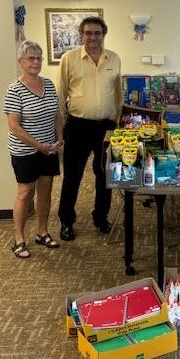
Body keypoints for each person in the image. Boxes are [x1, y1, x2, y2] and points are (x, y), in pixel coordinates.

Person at [57, 16, 123, 241]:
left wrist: (117, 120)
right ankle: (66, 221)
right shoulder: (69, 58)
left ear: (104, 35)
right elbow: (61, 93)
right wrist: (64, 123)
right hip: (78, 125)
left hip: (106, 126)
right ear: (81, 35)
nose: (93, 37)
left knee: (104, 175)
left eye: (97, 33)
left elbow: (118, 92)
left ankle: (101, 217)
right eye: (88, 33)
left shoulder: (114, 58)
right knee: (72, 176)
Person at [4, 41, 63, 259]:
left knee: (45, 190)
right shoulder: (15, 90)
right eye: (30, 58)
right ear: (21, 62)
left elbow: (56, 114)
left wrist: (60, 138)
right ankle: (19, 239)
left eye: (38, 58)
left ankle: (42, 232)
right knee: (25, 193)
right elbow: (14, 126)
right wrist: (38, 146)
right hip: (25, 151)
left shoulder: (48, 84)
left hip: (49, 148)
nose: (35, 62)